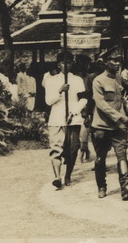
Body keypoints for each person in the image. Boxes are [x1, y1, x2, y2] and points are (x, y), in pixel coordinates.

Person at [91, 48, 128, 201]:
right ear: (106, 62)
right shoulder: (98, 81)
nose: (117, 63)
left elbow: (120, 97)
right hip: (101, 127)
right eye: (114, 60)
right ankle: (101, 187)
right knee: (100, 158)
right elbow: (101, 105)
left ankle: (126, 188)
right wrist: (121, 117)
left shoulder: (118, 78)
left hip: (118, 127)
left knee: (122, 156)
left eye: (119, 61)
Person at [43, 51, 87, 189]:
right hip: (56, 119)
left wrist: (74, 111)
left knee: (73, 148)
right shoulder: (51, 80)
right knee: (56, 148)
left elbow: (83, 99)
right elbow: (48, 101)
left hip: (73, 119)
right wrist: (60, 91)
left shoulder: (77, 80)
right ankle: (57, 177)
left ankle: (68, 174)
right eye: (63, 63)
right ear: (58, 64)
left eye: (69, 62)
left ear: (72, 64)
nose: (66, 65)